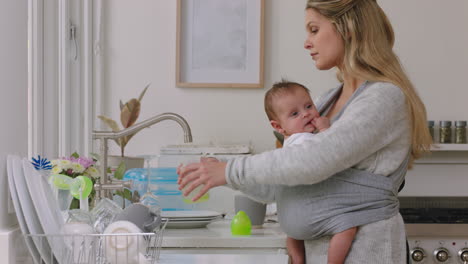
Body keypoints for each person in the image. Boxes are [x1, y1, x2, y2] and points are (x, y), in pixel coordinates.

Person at [178, 0, 432, 263]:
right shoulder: (324, 102)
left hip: (366, 250)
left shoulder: (383, 97)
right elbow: (284, 183)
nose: (306, 43)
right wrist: (224, 174)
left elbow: (313, 161)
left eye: (314, 30)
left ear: (347, 29)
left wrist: (231, 169)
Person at [265, 80, 356, 264]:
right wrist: (325, 129)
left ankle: (298, 260)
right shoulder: (304, 140)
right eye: (295, 113)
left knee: (292, 235)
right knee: (348, 227)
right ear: (279, 127)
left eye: (308, 106)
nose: (306, 114)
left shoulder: (288, 143)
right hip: (311, 208)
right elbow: (326, 153)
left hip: (290, 216)